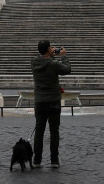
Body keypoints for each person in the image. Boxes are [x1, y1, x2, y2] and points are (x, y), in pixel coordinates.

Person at [31, 39, 71, 168]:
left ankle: (37, 160)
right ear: (48, 49)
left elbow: (44, 60)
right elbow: (67, 70)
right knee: (54, 132)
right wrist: (63, 56)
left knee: (39, 131)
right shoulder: (54, 64)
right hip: (53, 101)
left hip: (40, 101)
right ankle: (54, 160)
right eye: (50, 47)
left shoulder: (34, 62)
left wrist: (49, 53)